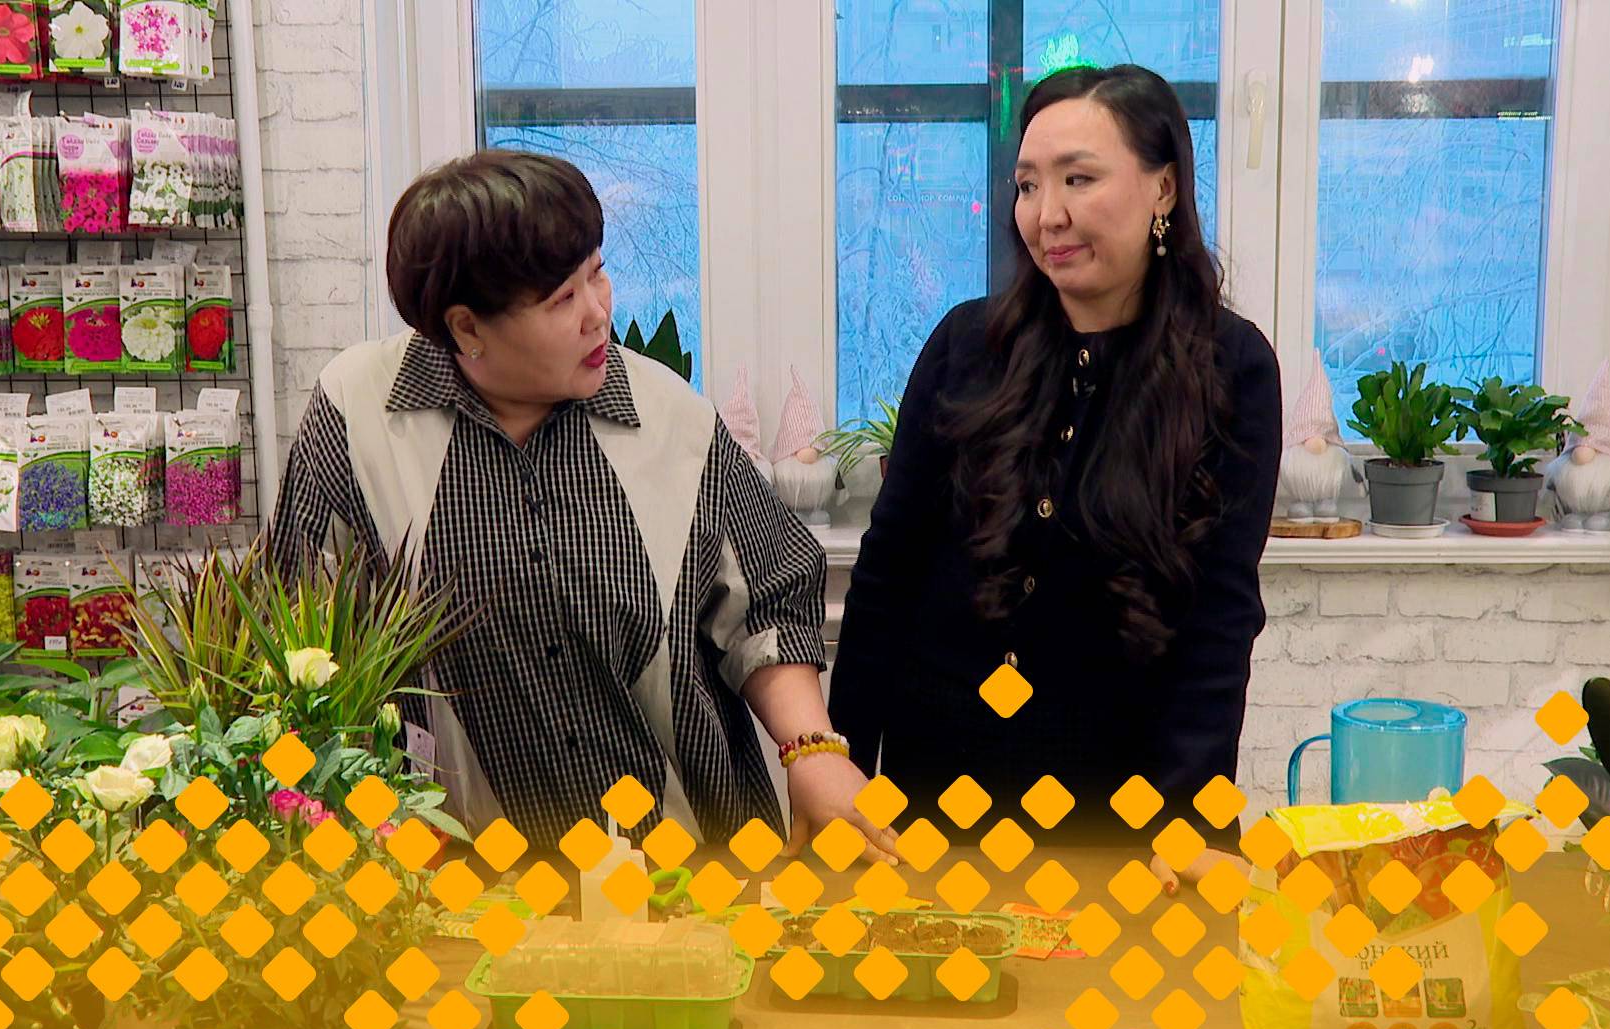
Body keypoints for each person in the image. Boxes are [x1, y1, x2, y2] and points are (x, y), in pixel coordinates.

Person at [268, 150, 897, 862]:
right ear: (467, 328)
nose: (599, 312)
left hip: (684, 868)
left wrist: (812, 751)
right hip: (462, 878)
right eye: (562, 299)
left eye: (596, 272)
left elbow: (766, 600)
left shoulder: (670, 417)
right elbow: (300, 646)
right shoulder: (356, 417)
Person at [828, 65, 1281, 882]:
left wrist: (1186, 819)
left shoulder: (1230, 367)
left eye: (1079, 179)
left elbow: (1220, 616)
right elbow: (886, 577)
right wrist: (845, 771)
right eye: (1028, 185)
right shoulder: (966, 346)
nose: (1048, 215)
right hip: (937, 797)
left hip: (1123, 811)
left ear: (1163, 188)